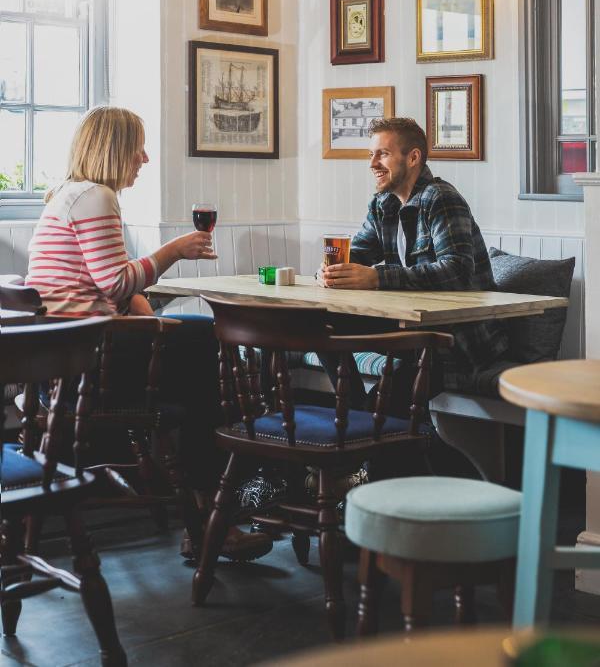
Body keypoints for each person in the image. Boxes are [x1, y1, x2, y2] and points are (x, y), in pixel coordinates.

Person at [26, 105, 272, 562]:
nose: (144, 158)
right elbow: (116, 282)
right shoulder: (96, 198)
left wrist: (142, 307)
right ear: (116, 148)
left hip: (61, 360)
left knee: (206, 371)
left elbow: (106, 286)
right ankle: (220, 510)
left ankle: (214, 514)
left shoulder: (68, 195)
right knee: (215, 348)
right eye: (138, 147)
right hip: (86, 360)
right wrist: (174, 250)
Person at [317, 116, 509, 409]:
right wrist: (332, 270)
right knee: (319, 322)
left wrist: (377, 278)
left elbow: (456, 270)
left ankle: (362, 419)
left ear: (413, 157)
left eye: (382, 153)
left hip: (453, 342)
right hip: (408, 335)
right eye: (371, 155)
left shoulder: (441, 198)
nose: (372, 164)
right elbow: (359, 253)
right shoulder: (383, 204)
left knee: (378, 413)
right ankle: (357, 411)